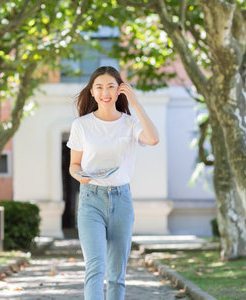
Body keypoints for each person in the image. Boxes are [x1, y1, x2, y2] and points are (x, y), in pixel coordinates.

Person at [66, 66, 159, 300]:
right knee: (95, 267)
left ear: (120, 91)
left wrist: (136, 103)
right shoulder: (82, 125)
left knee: (117, 273)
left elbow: (153, 139)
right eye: (99, 87)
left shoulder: (129, 124)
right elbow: (74, 165)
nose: (105, 92)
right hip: (91, 200)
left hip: (122, 200)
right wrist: (79, 175)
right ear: (92, 92)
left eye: (111, 86)